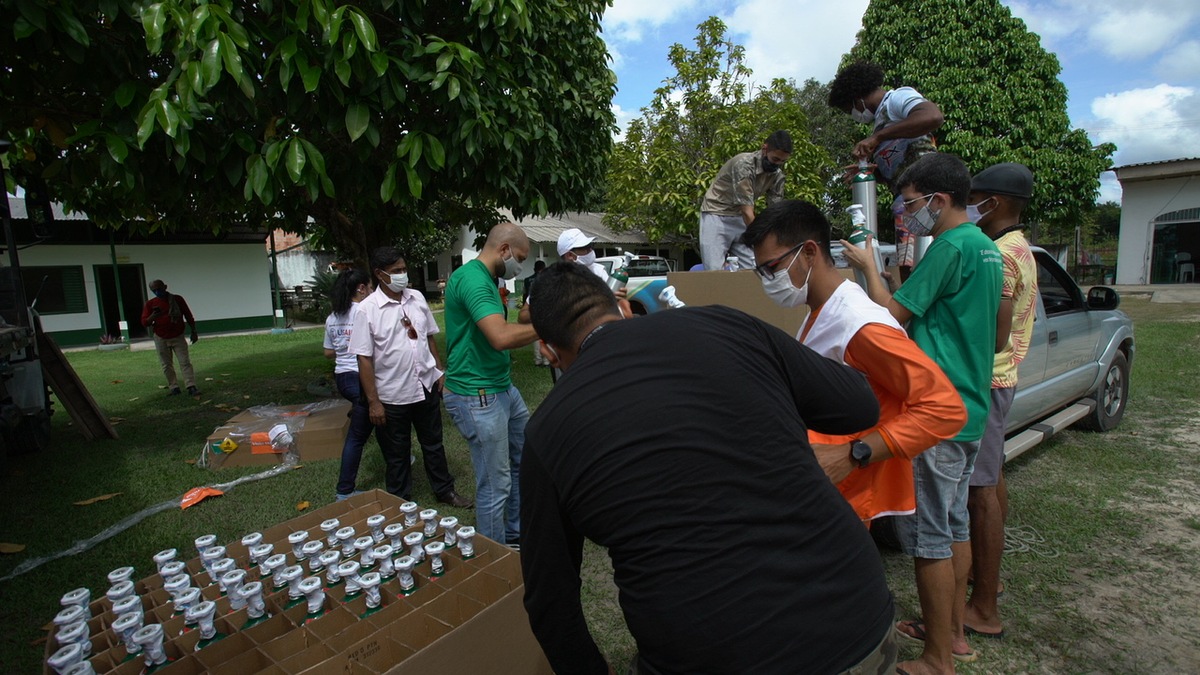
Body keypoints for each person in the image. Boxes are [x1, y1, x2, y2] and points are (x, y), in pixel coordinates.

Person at [522, 262, 896, 674]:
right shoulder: (725, 325)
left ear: (548, 350)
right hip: (856, 619)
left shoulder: (547, 430)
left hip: (713, 652)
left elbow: (550, 600)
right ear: (621, 306)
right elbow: (858, 405)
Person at [841, 153, 1003, 674]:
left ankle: (936, 660)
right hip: (971, 405)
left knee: (931, 537)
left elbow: (891, 317)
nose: (908, 212)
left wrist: (868, 269)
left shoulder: (951, 246)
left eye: (911, 202)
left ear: (941, 198)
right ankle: (954, 635)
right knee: (955, 527)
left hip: (937, 407)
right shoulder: (987, 249)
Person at [741, 200, 967, 523]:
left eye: (771, 268)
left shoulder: (859, 326)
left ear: (809, 253)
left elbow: (944, 408)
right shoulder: (824, 310)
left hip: (848, 497)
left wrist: (854, 453)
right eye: (759, 272)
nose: (766, 281)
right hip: (823, 492)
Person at [963, 163, 1039, 641]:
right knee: (992, 481)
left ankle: (984, 608)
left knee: (980, 494)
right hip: (1004, 379)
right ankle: (984, 576)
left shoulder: (1000, 255)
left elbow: (993, 333)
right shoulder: (1020, 247)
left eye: (976, 198)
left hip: (987, 382)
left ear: (994, 202)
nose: (972, 206)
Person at [348, 248, 472, 508]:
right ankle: (400, 502)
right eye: (396, 272)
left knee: (434, 445)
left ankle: (444, 490)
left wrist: (439, 371)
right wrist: (374, 402)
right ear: (380, 274)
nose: (402, 275)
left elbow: (428, 337)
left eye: (404, 269)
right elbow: (364, 359)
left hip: (424, 386)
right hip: (392, 395)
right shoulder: (367, 310)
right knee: (397, 454)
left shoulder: (416, 298)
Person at [442, 222, 539, 546]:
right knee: (495, 483)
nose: (520, 266)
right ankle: (494, 555)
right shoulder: (473, 280)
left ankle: (514, 534)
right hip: (477, 394)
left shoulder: (488, 280)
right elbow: (500, 337)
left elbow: (506, 326)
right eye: (520, 258)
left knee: (524, 460)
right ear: (504, 250)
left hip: (501, 388)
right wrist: (552, 324)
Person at [828, 61, 945, 278]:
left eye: (849, 109)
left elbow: (933, 117)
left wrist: (878, 137)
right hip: (907, 203)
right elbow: (900, 169)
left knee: (925, 266)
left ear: (858, 99)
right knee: (910, 268)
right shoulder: (880, 121)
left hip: (926, 196)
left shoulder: (896, 99)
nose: (852, 114)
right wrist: (875, 173)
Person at [699, 130, 792, 272]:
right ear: (764, 149)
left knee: (754, 268)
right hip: (716, 214)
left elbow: (775, 212)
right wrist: (762, 240)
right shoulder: (744, 164)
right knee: (714, 271)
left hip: (740, 219)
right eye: (775, 159)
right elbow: (747, 212)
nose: (777, 165)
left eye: (782, 161)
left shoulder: (777, 176)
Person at [323, 269, 375, 501]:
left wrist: (343, 346)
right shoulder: (363, 311)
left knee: (377, 419)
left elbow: (327, 352)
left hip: (343, 378)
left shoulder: (333, 317)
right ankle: (344, 491)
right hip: (360, 376)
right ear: (361, 288)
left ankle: (400, 459)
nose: (372, 290)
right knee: (357, 436)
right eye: (370, 286)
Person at [140, 279, 200, 397]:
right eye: (154, 290)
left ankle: (191, 386)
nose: (157, 292)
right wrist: (153, 316)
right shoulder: (150, 304)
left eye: (159, 289)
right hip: (161, 337)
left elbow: (188, 315)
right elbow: (144, 322)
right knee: (166, 364)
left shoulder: (177, 299)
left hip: (177, 336)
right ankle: (174, 387)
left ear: (165, 287)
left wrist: (194, 331)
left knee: (185, 362)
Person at [523, 260, 550, 366]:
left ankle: (537, 360)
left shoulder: (527, 280)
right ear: (543, 268)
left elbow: (525, 294)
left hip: (532, 308)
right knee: (546, 334)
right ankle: (546, 360)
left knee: (535, 333)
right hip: (544, 308)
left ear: (534, 269)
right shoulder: (546, 279)